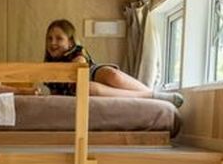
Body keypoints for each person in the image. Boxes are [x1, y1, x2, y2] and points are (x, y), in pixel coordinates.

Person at [43, 18, 183, 107]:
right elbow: (54, 92)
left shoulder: (77, 51)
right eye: (49, 38)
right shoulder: (46, 66)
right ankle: (152, 96)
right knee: (89, 88)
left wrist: (77, 65)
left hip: (91, 72)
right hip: (78, 88)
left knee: (113, 75)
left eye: (59, 38)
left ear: (70, 42)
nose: (53, 43)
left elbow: (81, 65)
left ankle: (150, 92)